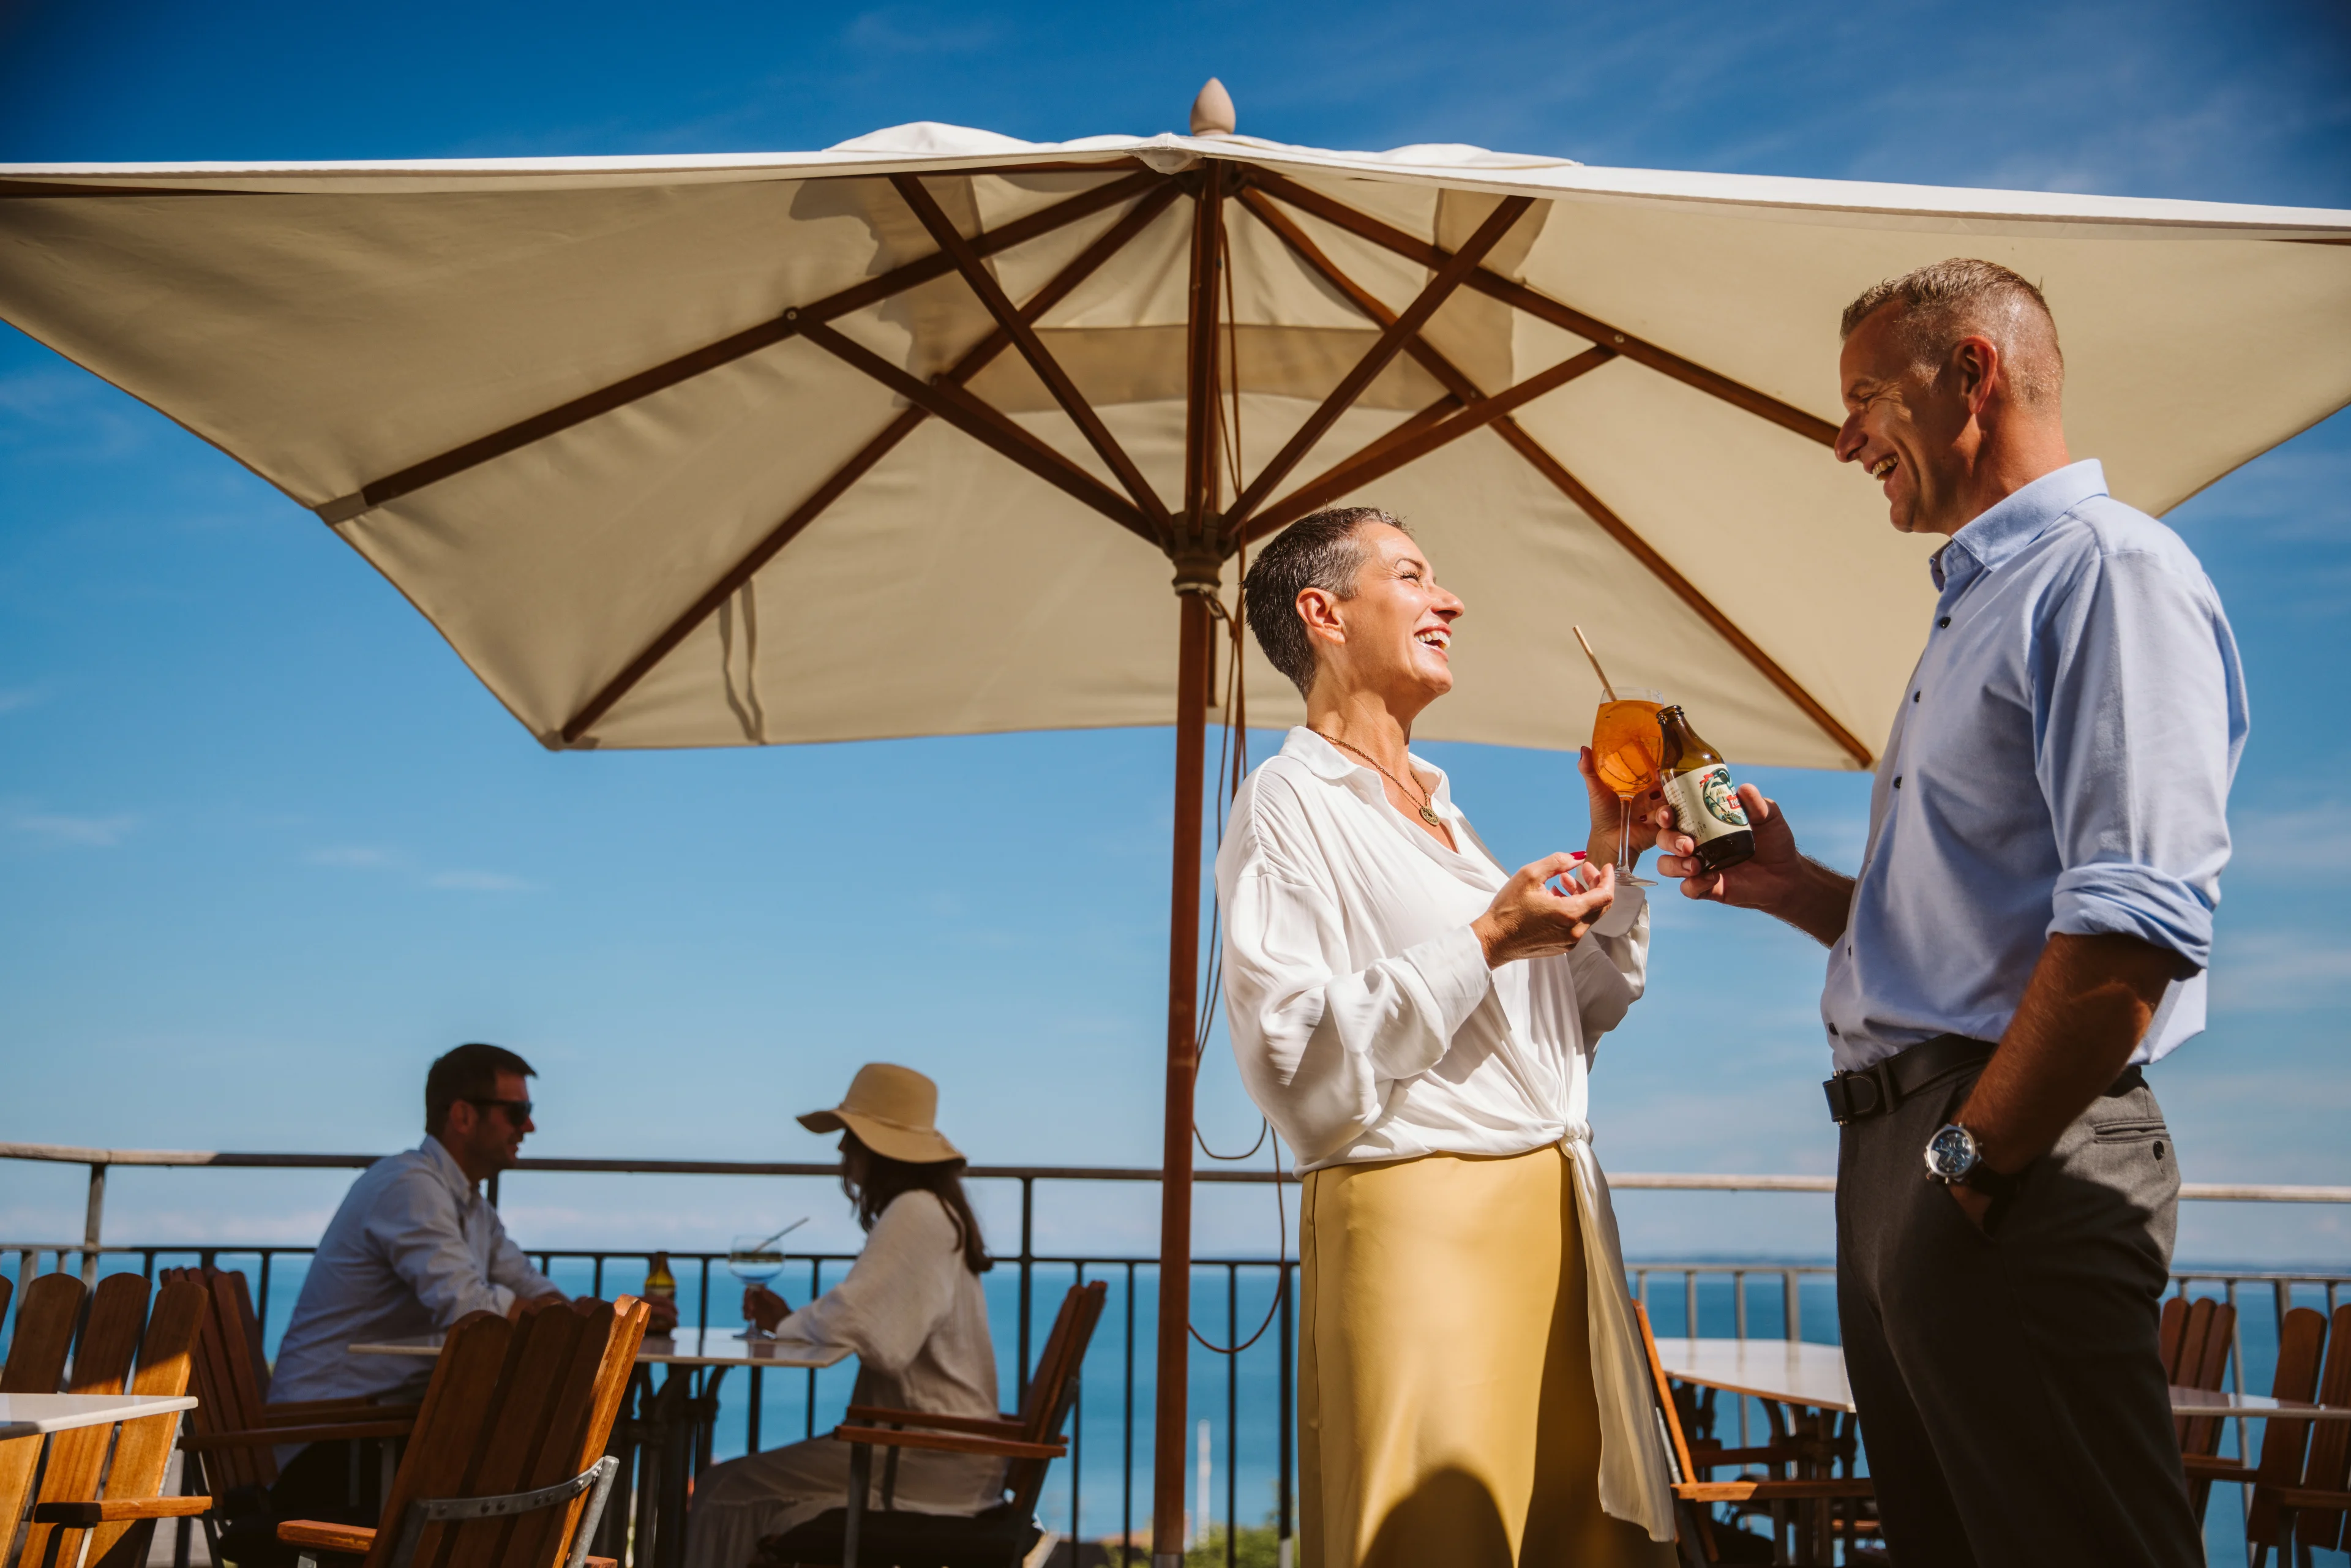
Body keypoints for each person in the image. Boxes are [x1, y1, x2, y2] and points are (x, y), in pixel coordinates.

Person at [1654, 258, 2242, 1567]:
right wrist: (1799, 889)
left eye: (1866, 394)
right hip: (1920, 1150)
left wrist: (1967, 1171)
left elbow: (2134, 922)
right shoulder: (1978, 609)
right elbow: (1981, 934)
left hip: (2010, 1146)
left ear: (1970, 372)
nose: (1842, 435)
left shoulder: (2106, 573)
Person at [1217, 508, 1676, 1568]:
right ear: (1324, 614)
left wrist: (1614, 859)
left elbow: (1569, 1025)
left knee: (1573, 1536)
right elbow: (1290, 1063)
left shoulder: (1443, 815)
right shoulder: (1286, 804)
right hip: (1422, 1227)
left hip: (1555, 1220)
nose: (1452, 601)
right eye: (1416, 577)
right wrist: (1488, 937)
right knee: (1438, 1540)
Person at [256, 1043, 672, 1549]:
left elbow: (533, 1290)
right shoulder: (408, 1186)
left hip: (383, 1430)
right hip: (332, 1444)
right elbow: (468, 1306)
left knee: (537, 1456)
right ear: (462, 1115)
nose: (529, 1128)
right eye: (518, 1112)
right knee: (534, 1463)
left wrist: (589, 1317)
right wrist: (573, 1319)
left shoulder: (470, 1205)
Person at [685, 1063, 1003, 1568]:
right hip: (944, 1452)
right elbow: (867, 1314)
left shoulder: (917, 1211)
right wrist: (793, 1319)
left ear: (879, 1147)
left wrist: (788, 1322)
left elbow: (862, 1324)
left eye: (850, 1137)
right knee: (733, 1485)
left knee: (724, 1489)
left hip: (924, 1458)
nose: (840, 1151)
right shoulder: (934, 1210)